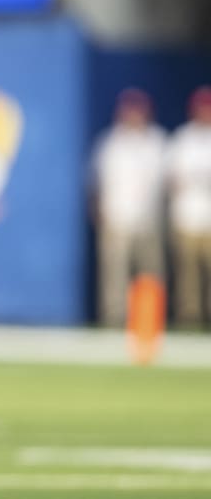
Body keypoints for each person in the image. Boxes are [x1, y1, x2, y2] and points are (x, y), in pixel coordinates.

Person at [90, 88, 167, 327]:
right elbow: (94, 183)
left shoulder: (157, 142)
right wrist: (98, 211)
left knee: (150, 274)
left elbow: (168, 184)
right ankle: (114, 320)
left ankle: (150, 322)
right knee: (114, 276)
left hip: (148, 220)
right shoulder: (109, 143)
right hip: (116, 218)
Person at [167, 86, 211, 328]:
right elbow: (174, 180)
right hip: (187, 217)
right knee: (188, 276)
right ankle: (189, 319)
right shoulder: (183, 139)